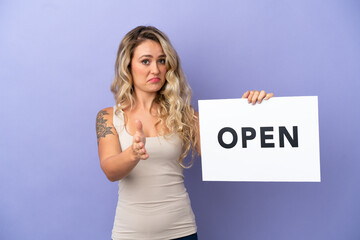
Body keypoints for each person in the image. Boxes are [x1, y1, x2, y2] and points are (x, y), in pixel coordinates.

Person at [96, 26, 273, 240]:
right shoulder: (108, 117)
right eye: (146, 61)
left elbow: (227, 154)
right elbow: (110, 170)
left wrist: (255, 111)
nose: (156, 69)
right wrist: (133, 153)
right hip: (130, 234)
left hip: (182, 231)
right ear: (128, 66)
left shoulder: (184, 114)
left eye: (162, 60)